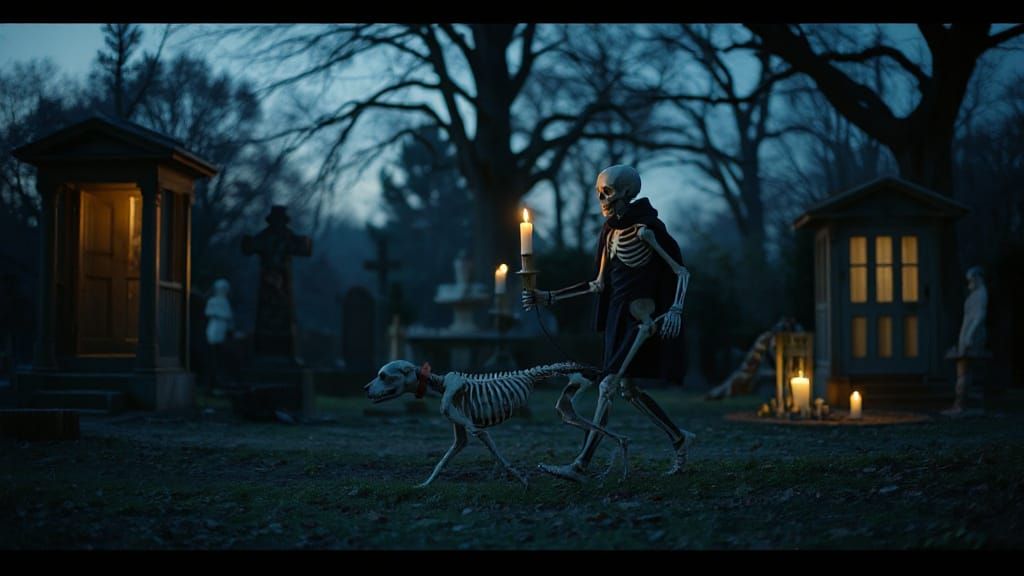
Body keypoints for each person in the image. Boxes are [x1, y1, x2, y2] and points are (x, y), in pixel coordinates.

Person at [522, 165, 695, 482]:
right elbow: (598, 284)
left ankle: (581, 465)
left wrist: (675, 310)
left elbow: (681, 272)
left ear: (627, 193)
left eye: (608, 191)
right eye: (599, 191)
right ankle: (680, 438)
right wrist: (549, 297)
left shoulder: (647, 229)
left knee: (607, 386)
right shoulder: (610, 233)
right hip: (617, 319)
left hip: (641, 320)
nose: (601, 198)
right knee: (628, 389)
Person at [204, 278, 235, 393]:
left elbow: (228, 315)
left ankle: (219, 382)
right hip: (213, 329)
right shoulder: (212, 301)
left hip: (222, 330)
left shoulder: (225, 301)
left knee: (220, 357)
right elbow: (208, 312)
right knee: (213, 356)